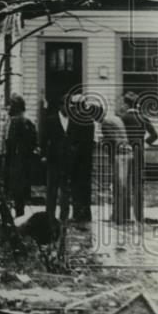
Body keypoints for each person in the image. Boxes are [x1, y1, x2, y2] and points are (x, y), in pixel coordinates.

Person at [120, 91, 158, 223]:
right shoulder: (143, 118)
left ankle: (124, 216)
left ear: (126, 104)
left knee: (124, 184)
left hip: (125, 154)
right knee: (138, 185)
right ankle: (139, 216)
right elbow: (155, 135)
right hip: (139, 153)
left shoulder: (122, 118)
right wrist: (144, 144)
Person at [41, 93, 78, 221]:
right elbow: (43, 139)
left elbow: (75, 140)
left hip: (67, 161)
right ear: (61, 106)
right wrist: (44, 155)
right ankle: (49, 217)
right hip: (53, 159)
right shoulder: (51, 120)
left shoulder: (74, 122)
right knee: (52, 189)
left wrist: (73, 152)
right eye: (68, 106)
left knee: (66, 189)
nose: (70, 109)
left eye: (72, 107)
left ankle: (64, 218)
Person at [3, 94, 39, 217]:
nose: (9, 108)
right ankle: (21, 212)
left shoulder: (15, 121)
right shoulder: (29, 120)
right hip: (27, 159)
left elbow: (10, 142)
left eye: (12, 105)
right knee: (23, 188)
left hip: (16, 159)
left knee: (15, 188)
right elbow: (35, 141)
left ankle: (18, 214)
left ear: (16, 107)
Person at [68, 96, 97, 224]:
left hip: (77, 159)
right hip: (87, 158)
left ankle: (77, 214)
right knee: (86, 187)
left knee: (76, 187)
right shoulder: (90, 119)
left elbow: (72, 140)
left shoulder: (75, 119)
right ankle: (86, 214)